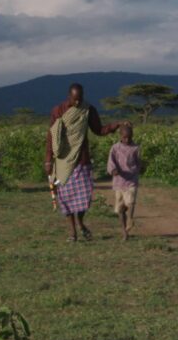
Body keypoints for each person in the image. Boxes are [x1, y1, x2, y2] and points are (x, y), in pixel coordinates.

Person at [45, 82, 125, 242]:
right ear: (69, 96)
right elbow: (52, 136)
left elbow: (98, 130)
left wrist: (115, 126)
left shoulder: (88, 109)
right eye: (74, 99)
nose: (77, 103)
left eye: (79, 99)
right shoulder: (58, 111)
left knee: (84, 197)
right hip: (63, 161)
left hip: (82, 159)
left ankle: (81, 223)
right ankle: (72, 232)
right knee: (65, 198)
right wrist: (48, 160)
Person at [106, 123, 142, 241]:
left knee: (130, 202)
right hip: (119, 181)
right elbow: (111, 161)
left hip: (131, 180)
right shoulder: (115, 148)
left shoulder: (135, 148)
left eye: (129, 137)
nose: (127, 140)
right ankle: (124, 232)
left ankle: (130, 219)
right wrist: (113, 170)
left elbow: (138, 162)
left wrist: (138, 169)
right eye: (125, 137)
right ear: (120, 136)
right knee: (120, 209)